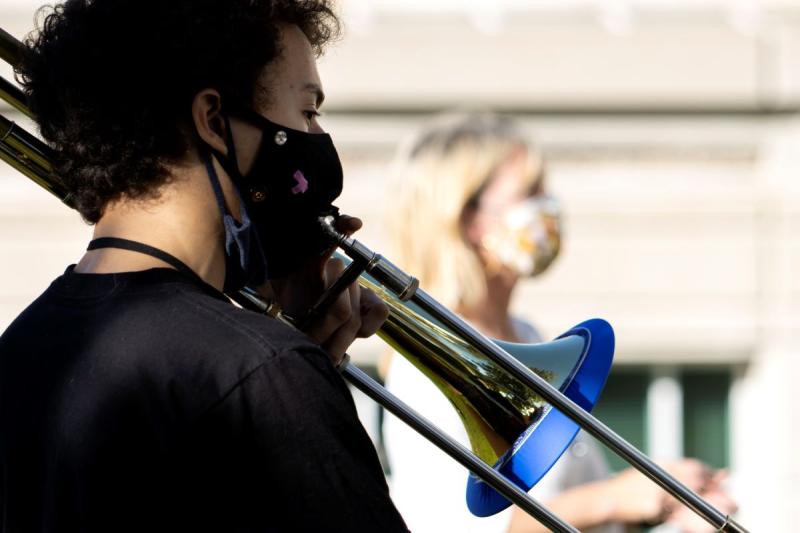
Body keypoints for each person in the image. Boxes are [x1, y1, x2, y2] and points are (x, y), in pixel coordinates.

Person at [0, 1, 408, 531]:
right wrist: (286, 376)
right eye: (308, 112)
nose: (315, 135)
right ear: (213, 120)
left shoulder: (19, 348)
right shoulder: (261, 373)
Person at [381, 113, 736, 532]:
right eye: (530, 193)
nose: (549, 205)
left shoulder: (525, 335)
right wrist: (616, 498)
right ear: (468, 220)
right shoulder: (428, 361)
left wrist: (667, 509)